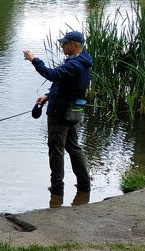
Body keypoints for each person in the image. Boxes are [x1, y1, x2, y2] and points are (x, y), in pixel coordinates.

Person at [22, 31, 92, 197]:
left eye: (65, 43)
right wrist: (48, 96)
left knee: (56, 150)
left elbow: (52, 75)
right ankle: (84, 185)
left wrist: (34, 60)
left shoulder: (74, 64)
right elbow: (67, 86)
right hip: (72, 112)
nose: (62, 46)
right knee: (73, 147)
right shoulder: (82, 62)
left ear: (75, 45)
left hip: (59, 113)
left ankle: (57, 189)